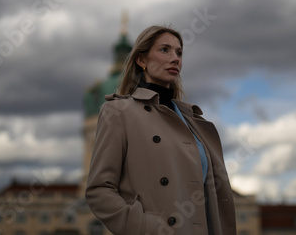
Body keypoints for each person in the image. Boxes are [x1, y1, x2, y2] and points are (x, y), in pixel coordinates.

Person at [85, 25, 236, 235]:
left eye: (179, 52)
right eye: (165, 50)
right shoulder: (119, 112)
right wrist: (146, 227)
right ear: (142, 60)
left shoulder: (194, 122)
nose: (175, 58)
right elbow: (99, 190)